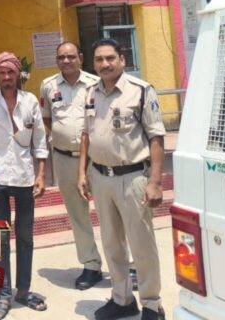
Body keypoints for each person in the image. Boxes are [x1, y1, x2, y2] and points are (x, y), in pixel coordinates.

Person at [78, 39, 166, 320]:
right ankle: (122, 299)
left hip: (133, 178)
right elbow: (86, 135)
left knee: (141, 245)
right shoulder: (90, 93)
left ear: (122, 60)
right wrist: (82, 172)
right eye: (99, 59)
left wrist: (155, 182)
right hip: (100, 177)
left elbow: (156, 137)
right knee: (112, 243)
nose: (105, 64)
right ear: (93, 64)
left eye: (110, 58)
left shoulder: (140, 91)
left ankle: (151, 304)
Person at [0, 52, 49, 320]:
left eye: (11, 72)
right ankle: (4, 295)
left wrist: (41, 175)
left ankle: (23, 290)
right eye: (2, 73)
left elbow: (40, 141)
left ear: (18, 74)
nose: (6, 77)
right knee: (1, 239)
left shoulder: (30, 102)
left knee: (25, 236)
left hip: (25, 178)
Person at [40, 42, 104, 289]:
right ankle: (91, 265)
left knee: (110, 213)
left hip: (97, 158)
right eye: (61, 57)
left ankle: (126, 265)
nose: (66, 61)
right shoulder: (48, 85)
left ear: (80, 57)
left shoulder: (95, 83)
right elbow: (46, 119)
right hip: (65, 159)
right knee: (78, 214)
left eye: (70, 56)